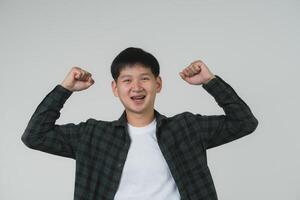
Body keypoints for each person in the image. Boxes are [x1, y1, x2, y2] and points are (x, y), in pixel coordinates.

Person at [21, 47, 259, 200]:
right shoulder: (94, 135)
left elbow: (244, 122)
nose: (136, 87)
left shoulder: (186, 128)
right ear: (115, 89)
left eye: (144, 79)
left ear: (158, 84)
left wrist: (210, 81)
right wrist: (65, 89)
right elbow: (35, 136)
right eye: (126, 80)